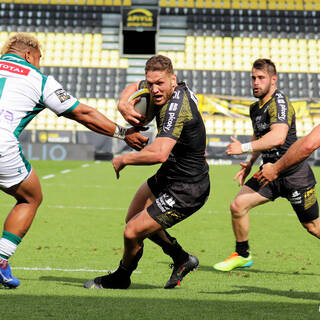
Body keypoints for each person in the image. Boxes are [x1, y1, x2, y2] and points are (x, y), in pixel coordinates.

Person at [0, 33, 148, 288]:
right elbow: (83, 113)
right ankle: (1, 260)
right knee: (30, 197)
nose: (39, 64)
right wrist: (123, 133)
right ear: (28, 55)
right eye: (38, 59)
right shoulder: (38, 79)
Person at [84, 54, 210, 289]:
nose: (153, 89)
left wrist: (125, 159)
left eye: (159, 83)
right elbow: (134, 87)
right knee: (133, 219)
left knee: (132, 232)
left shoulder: (177, 106)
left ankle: (121, 278)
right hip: (171, 172)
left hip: (188, 187)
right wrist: (123, 102)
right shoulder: (161, 88)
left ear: (173, 79)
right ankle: (182, 258)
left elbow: (159, 153)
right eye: (150, 84)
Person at [213, 58, 319, 272]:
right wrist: (250, 161)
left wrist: (243, 148)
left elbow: (278, 137)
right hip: (267, 172)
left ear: (273, 80)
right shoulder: (255, 108)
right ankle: (242, 255)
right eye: (253, 78)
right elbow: (260, 134)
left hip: (293, 174)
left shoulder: (279, 102)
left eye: (261, 78)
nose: (255, 82)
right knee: (238, 206)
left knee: (313, 227)